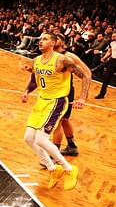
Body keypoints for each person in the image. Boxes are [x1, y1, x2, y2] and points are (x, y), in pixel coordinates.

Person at [21, 32, 90, 190]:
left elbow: (85, 76)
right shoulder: (37, 60)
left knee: (41, 139)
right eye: (39, 39)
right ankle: (53, 169)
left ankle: (69, 169)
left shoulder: (62, 60)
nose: (40, 41)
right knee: (28, 138)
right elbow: (35, 80)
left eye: (44, 39)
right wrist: (26, 91)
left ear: (53, 43)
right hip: (41, 102)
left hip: (57, 102)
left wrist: (82, 98)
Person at [52, 34, 91, 156]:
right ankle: (72, 146)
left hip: (65, 92)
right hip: (53, 91)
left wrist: (83, 98)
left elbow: (87, 73)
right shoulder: (49, 55)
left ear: (63, 42)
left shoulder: (68, 56)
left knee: (57, 121)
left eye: (56, 38)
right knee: (64, 119)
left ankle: (54, 153)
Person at [94, 32, 116, 99]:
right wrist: (104, 58)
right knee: (106, 78)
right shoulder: (111, 43)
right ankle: (102, 94)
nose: (113, 37)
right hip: (112, 61)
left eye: (114, 36)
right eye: (113, 36)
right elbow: (109, 52)